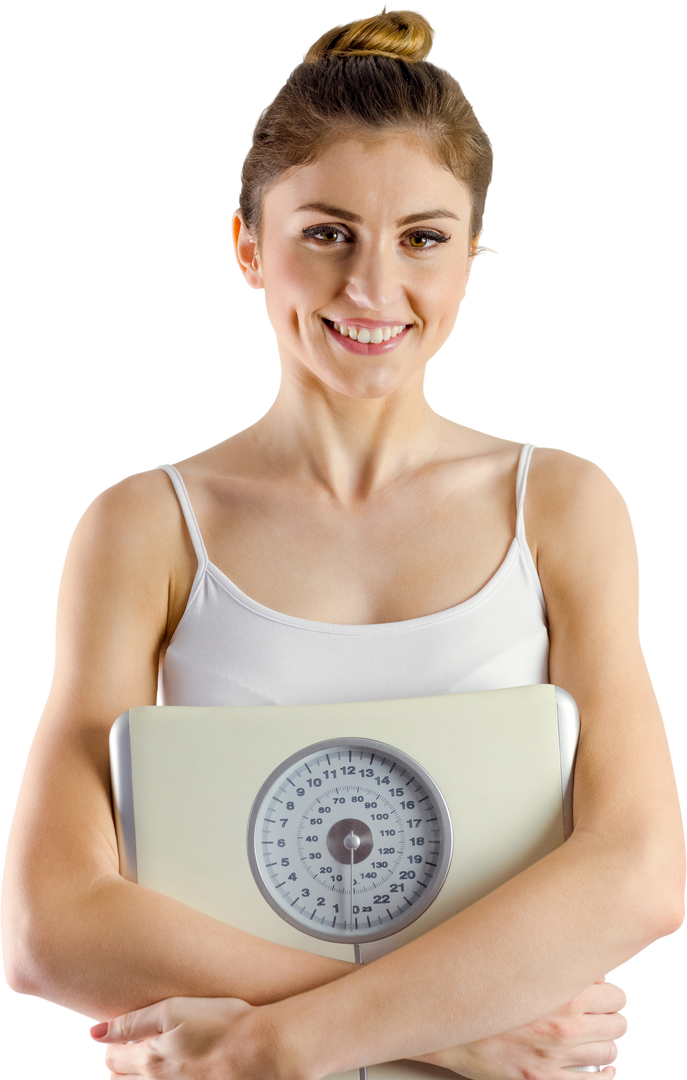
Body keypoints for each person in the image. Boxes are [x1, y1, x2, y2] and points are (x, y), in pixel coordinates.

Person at [2, 5, 683, 1078]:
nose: (372, 288)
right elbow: (48, 930)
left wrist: (268, 1042)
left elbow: (641, 873)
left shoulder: (561, 504)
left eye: (422, 238)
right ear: (246, 247)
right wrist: (460, 1027)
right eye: (327, 233)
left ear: (472, 258)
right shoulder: (142, 526)